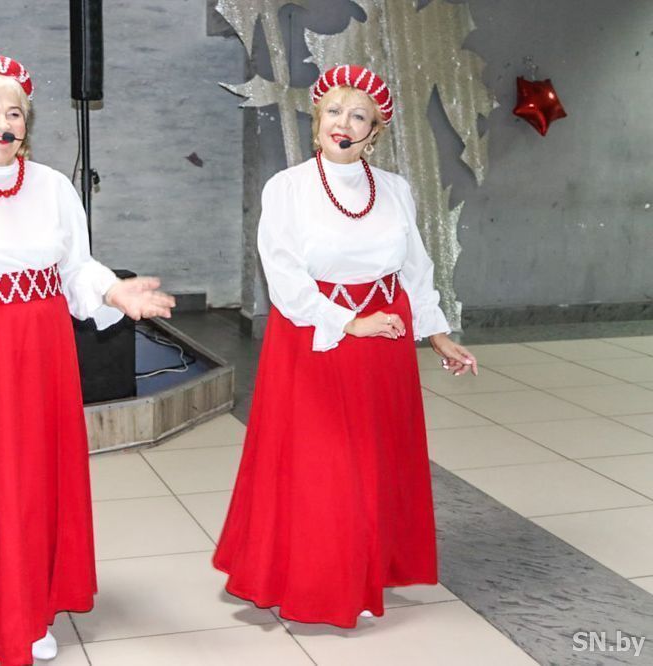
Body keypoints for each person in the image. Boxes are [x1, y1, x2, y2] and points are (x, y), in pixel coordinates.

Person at [0, 54, 175, 666]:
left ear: (28, 123)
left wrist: (113, 292)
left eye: (14, 113)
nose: (3, 124)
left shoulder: (53, 187)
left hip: (44, 350)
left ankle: (28, 608)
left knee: (35, 479)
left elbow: (76, 266)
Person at [212, 64, 478, 627]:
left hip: (385, 339)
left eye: (359, 116)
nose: (343, 122)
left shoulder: (396, 190)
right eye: (334, 110)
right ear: (316, 120)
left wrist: (437, 333)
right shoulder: (288, 188)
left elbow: (415, 268)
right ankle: (313, 579)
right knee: (323, 464)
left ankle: (366, 565)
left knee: (375, 461)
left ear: (374, 131)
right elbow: (283, 274)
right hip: (315, 337)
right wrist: (348, 322)